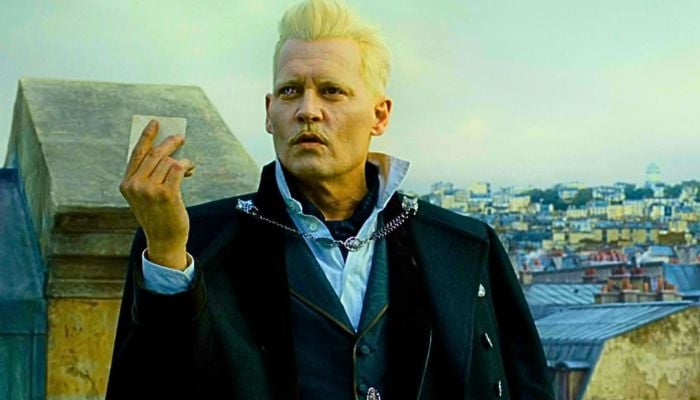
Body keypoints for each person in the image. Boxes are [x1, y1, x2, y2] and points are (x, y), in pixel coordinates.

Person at [107, 0, 553, 399]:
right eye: (290, 91)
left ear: (379, 115)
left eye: (331, 91)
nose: (307, 110)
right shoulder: (197, 246)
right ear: (269, 113)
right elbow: (152, 386)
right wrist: (167, 253)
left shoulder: (462, 247)